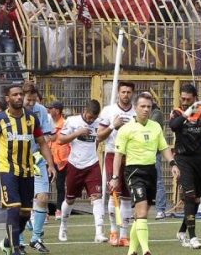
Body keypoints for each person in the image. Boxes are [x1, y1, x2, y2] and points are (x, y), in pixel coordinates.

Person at [0, 84, 56, 255]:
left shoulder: (31, 118)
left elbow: (42, 142)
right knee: (14, 208)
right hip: (8, 171)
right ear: (8, 99)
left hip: (27, 171)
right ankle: (15, 250)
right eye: (15, 95)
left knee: (26, 214)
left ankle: (7, 242)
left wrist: (51, 164)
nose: (19, 97)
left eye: (21, 94)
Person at [109, 92, 180, 255]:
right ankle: (146, 250)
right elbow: (118, 155)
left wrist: (173, 164)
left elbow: (163, 148)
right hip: (134, 172)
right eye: (142, 106)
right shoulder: (126, 129)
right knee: (141, 212)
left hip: (151, 171)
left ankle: (132, 250)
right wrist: (114, 177)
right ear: (135, 108)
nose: (146, 109)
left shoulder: (155, 126)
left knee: (142, 214)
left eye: (148, 107)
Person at [171, 84, 201, 249]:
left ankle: (182, 232)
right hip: (183, 159)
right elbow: (173, 126)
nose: (184, 101)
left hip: (200, 160)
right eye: (182, 98)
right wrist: (187, 112)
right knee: (190, 196)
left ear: (195, 98)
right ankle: (193, 237)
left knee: (197, 199)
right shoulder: (177, 112)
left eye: (188, 99)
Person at [56, 99, 106, 243]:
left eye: (94, 118)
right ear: (85, 110)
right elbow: (61, 140)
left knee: (97, 197)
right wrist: (77, 133)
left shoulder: (99, 123)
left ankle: (99, 232)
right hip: (74, 165)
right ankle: (63, 227)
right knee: (70, 199)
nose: (92, 120)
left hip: (92, 165)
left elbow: (98, 140)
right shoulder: (72, 121)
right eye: (90, 117)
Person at [96, 81, 136, 246]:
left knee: (127, 196)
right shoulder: (109, 111)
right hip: (113, 155)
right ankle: (113, 231)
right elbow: (99, 135)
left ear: (132, 93)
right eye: (123, 92)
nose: (125, 95)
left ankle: (124, 235)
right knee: (115, 194)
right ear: (118, 93)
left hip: (133, 157)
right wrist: (113, 125)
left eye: (128, 92)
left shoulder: (137, 111)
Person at [21, 83, 56, 253]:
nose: (31, 103)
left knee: (43, 197)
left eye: (34, 100)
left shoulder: (41, 111)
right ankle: (18, 240)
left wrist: (50, 163)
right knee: (19, 202)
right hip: (17, 161)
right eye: (29, 100)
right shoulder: (13, 112)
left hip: (37, 159)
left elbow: (47, 136)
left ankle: (36, 238)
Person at [48, 101, 69, 220]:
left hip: (62, 160)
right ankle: (44, 211)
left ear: (57, 110)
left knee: (60, 186)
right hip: (48, 159)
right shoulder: (47, 123)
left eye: (51, 108)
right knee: (45, 186)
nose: (49, 111)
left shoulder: (65, 124)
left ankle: (59, 210)